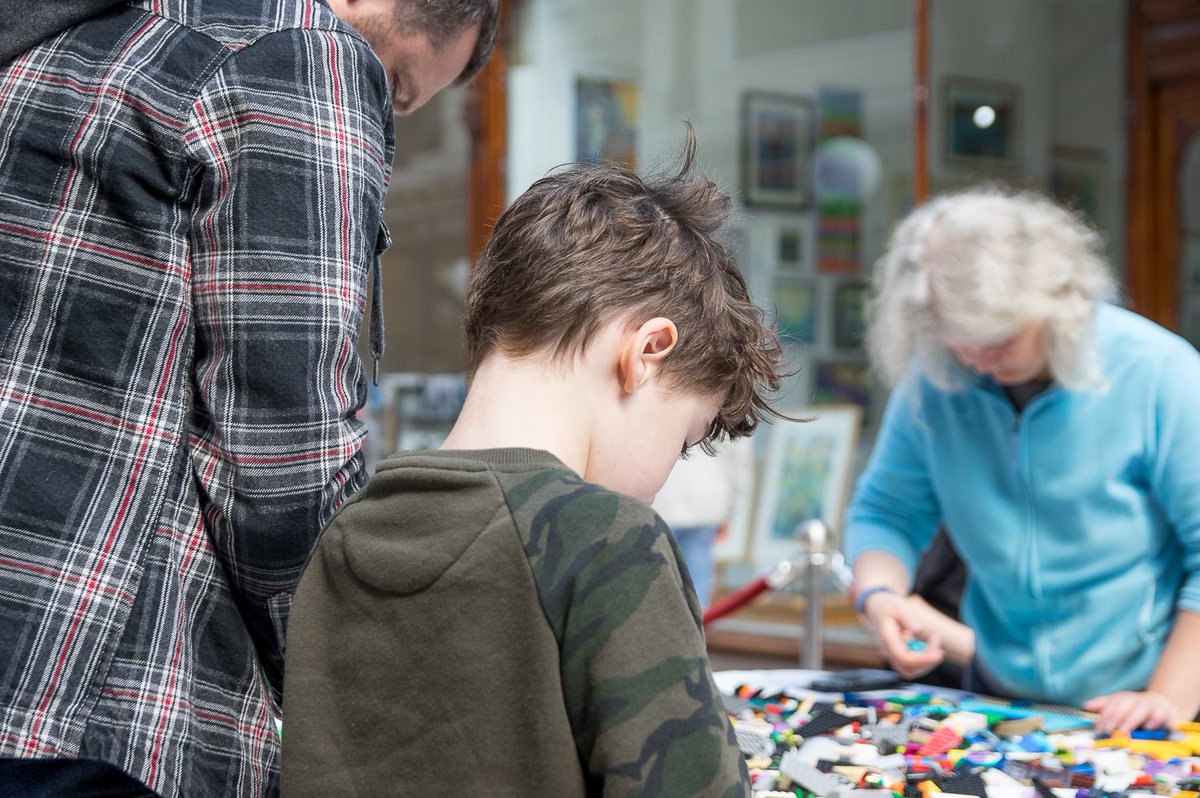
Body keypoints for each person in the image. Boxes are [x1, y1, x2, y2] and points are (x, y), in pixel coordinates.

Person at [0, 0, 498, 795]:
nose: (383, 105)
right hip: (101, 702)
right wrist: (378, 686)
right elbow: (282, 459)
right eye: (398, 85)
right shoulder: (296, 52)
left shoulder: (63, 36)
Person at [280, 128, 785, 796]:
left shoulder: (342, 535)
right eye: (684, 437)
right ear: (645, 353)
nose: (667, 474)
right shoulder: (605, 542)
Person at [844, 186, 1200, 735]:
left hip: (1143, 701)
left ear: (1057, 301)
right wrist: (880, 596)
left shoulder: (1162, 374)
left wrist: (1168, 698)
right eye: (959, 339)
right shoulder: (934, 382)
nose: (979, 359)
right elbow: (887, 511)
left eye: (1000, 338)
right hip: (999, 696)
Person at [652, 437, 753, 609]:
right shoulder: (731, 411)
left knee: (656, 579)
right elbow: (740, 462)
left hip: (663, 499)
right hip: (708, 502)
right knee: (697, 581)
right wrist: (730, 509)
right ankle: (696, 631)